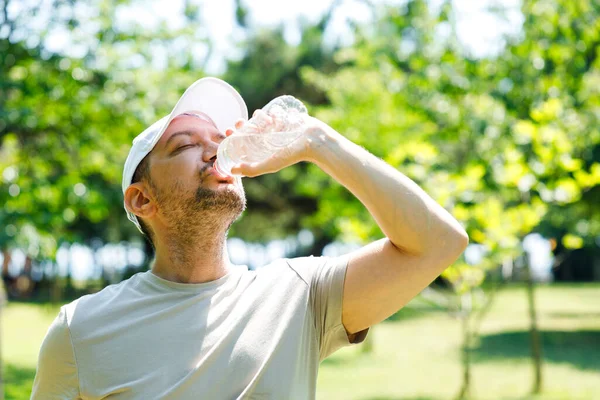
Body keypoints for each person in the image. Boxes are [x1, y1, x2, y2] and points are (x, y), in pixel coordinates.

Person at [31, 77, 468, 399]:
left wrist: (316, 140)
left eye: (221, 140)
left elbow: (438, 243)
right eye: (185, 146)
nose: (216, 152)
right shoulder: (80, 331)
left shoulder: (300, 293)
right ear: (142, 200)